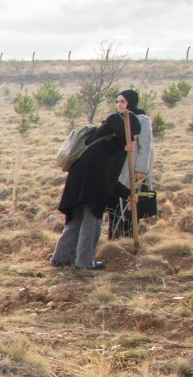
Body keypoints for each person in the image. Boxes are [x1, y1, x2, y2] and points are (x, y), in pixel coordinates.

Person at [52, 92, 142, 269]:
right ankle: (84, 263)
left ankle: (60, 259)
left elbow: (110, 179)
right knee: (91, 223)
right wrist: (127, 141)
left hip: (78, 183)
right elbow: (113, 119)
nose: (133, 141)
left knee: (75, 221)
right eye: (134, 136)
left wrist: (127, 194)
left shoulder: (104, 139)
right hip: (91, 186)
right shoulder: (113, 137)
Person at [107, 89, 154, 239]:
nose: (119, 105)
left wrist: (140, 169)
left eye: (123, 101)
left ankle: (128, 239)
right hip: (116, 169)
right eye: (117, 101)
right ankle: (115, 240)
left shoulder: (141, 119)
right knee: (115, 204)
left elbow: (145, 146)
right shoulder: (116, 120)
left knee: (131, 204)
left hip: (131, 169)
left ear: (130, 102)